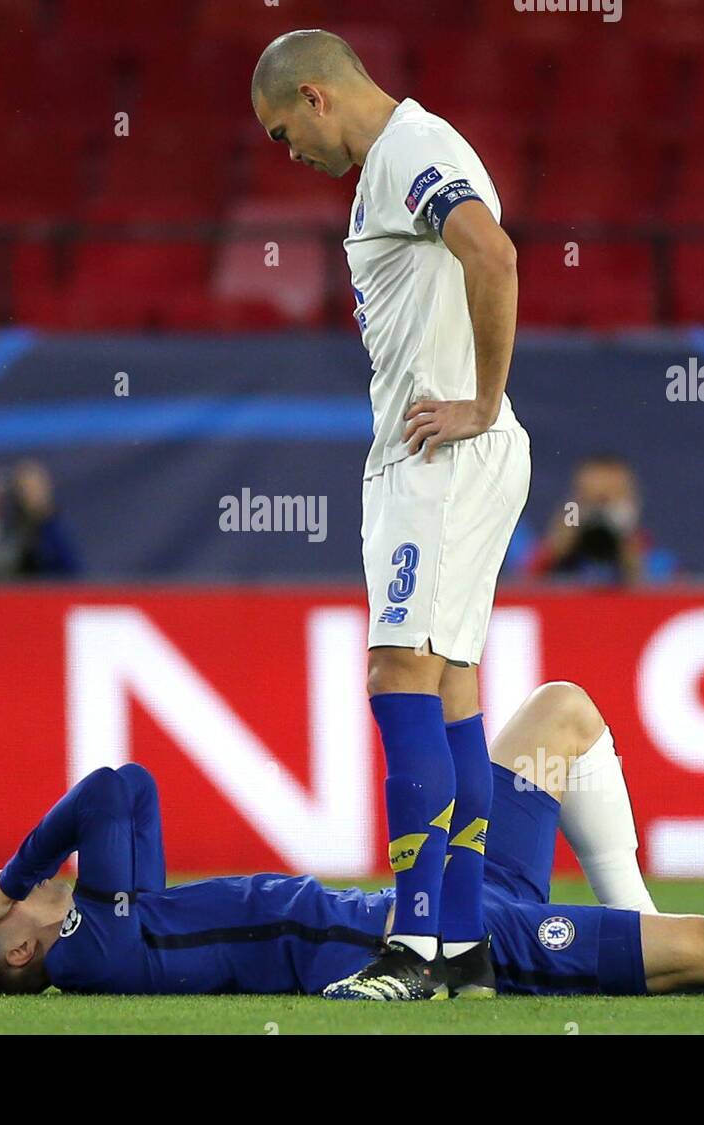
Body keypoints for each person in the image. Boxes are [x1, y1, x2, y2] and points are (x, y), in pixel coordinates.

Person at [0, 682, 704, 1000]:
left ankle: (633, 926)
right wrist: (15, 871)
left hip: (441, 896)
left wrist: (17, 879)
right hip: (440, 944)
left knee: (561, 714)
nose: (1, 892)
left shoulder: (124, 921)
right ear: (21, 948)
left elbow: (134, 789)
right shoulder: (92, 949)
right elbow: (108, 791)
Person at [250, 29, 531, 999]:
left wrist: (481, 402)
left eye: (287, 131)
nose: (291, 153)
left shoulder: (411, 151)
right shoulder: (402, 162)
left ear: (319, 96)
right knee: (449, 686)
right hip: (451, 457)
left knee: (397, 671)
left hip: (439, 455)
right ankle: (463, 952)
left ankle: (410, 948)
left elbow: (491, 256)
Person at [528, 454, 649, 584]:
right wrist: (559, 544)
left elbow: (652, 588)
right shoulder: (570, 516)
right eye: (590, 498)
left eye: (609, 501)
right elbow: (526, 583)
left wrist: (629, 551)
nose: (600, 512)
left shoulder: (656, 559)